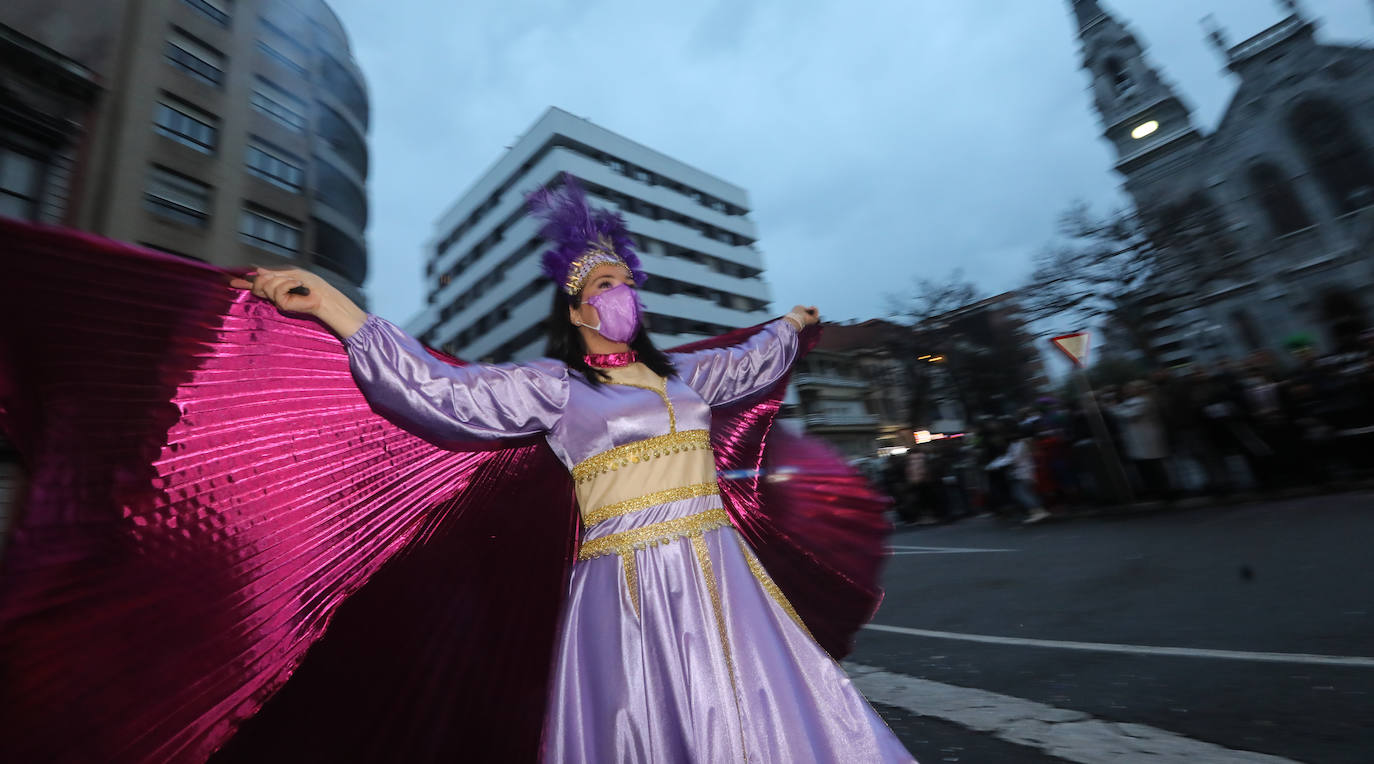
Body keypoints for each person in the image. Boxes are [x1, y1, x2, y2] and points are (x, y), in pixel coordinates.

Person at [0, 182, 911, 763]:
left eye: (625, 280)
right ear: (577, 307)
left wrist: (792, 325)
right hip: (623, 595)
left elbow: (752, 360)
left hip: (721, 581)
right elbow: (440, 393)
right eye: (600, 285)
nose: (618, 294)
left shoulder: (691, 378)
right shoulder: (554, 390)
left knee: (765, 725)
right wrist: (336, 309)